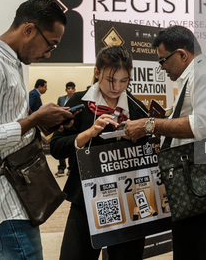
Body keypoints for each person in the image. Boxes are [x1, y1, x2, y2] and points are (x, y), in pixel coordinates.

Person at [0, 0, 74, 259]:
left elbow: (8, 124)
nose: (48, 53)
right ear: (29, 30)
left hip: (18, 196)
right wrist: (34, 119)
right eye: (50, 44)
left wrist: (43, 121)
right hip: (2, 203)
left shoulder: (9, 63)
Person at [125, 25, 206, 260]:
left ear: (182, 54)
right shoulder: (197, 74)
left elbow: (201, 126)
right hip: (196, 177)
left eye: (163, 61)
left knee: (195, 247)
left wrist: (150, 124)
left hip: (202, 178)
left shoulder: (205, 74)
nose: (162, 68)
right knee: (190, 246)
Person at [50, 46, 148, 260]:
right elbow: (56, 147)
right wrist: (88, 133)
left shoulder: (136, 108)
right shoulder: (78, 102)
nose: (117, 87)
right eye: (111, 80)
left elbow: (150, 151)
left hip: (127, 197)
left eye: (124, 81)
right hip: (86, 196)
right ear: (96, 72)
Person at [55, 81, 76, 177]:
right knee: (61, 146)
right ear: (66, 90)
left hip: (73, 126)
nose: (70, 90)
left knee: (72, 146)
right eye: (69, 88)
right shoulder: (61, 99)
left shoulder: (76, 99)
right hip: (62, 125)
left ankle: (71, 169)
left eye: (72, 88)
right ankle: (61, 168)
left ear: (74, 90)